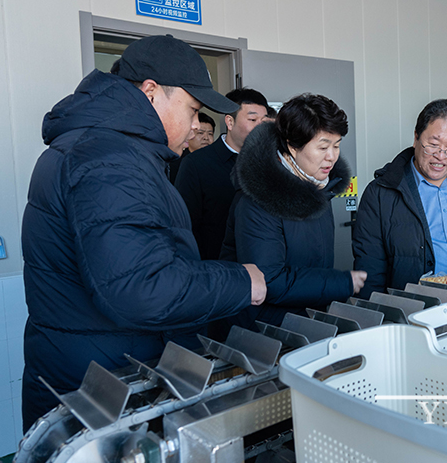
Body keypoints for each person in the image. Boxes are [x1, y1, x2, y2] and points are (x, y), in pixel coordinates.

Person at [20, 34, 266, 431]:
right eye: (192, 110)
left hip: (88, 369)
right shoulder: (111, 159)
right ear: (151, 92)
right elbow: (140, 288)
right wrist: (240, 281)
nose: (195, 126)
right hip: (104, 383)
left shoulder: (98, 147)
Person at [220, 93, 367, 331]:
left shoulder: (320, 186)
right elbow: (270, 281)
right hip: (266, 331)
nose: (332, 156)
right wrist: (340, 283)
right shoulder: (257, 201)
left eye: (337, 145)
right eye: (323, 147)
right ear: (292, 146)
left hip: (306, 321)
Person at [352, 98, 447, 298]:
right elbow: (370, 272)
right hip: (413, 308)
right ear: (416, 138)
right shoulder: (381, 193)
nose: (441, 155)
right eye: (433, 145)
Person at [174, 89, 270, 260]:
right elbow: (185, 225)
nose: (260, 127)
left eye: (263, 121)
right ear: (230, 122)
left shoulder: (270, 163)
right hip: (215, 265)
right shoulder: (196, 163)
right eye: (252, 120)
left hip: (261, 264)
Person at [168, 112, 215, 183]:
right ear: (189, 135)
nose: (206, 138)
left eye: (210, 134)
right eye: (200, 133)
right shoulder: (177, 163)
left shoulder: (216, 162)